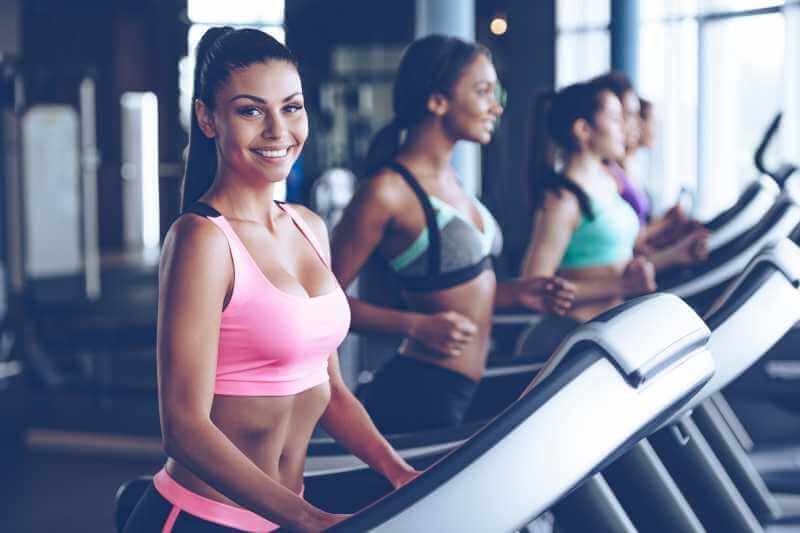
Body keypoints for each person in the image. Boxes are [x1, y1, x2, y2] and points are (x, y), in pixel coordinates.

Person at [122, 27, 417, 533]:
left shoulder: (310, 226)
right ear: (207, 118)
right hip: (204, 520)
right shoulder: (201, 240)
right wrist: (309, 519)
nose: (279, 130)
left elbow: (330, 389)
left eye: (292, 107)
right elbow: (184, 429)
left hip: (286, 515)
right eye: (250, 110)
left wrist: (399, 472)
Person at [330, 35, 575, 435]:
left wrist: (517, 294)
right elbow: (319, 306)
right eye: (482, 92)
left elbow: (458, 291)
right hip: (421, 393)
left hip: (465, 387)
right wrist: (415, 325)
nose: (495, 106)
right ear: (437, 100)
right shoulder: (387, 191)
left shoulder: (452, 178)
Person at [518, 81, 706, 356]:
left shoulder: (606, 183)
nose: (629, 128)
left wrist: (677, 255)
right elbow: (532, 286)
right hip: (573, 336)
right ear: (583, 130)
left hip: (609, 329)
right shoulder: (563, 200)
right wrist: (622, 285)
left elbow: (615, 262)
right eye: (616, 119)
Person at [592, 71, 706, 251]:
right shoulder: (599, 180)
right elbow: (628, 243)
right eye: (627, 115)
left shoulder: (611, 173)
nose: (636, 124)